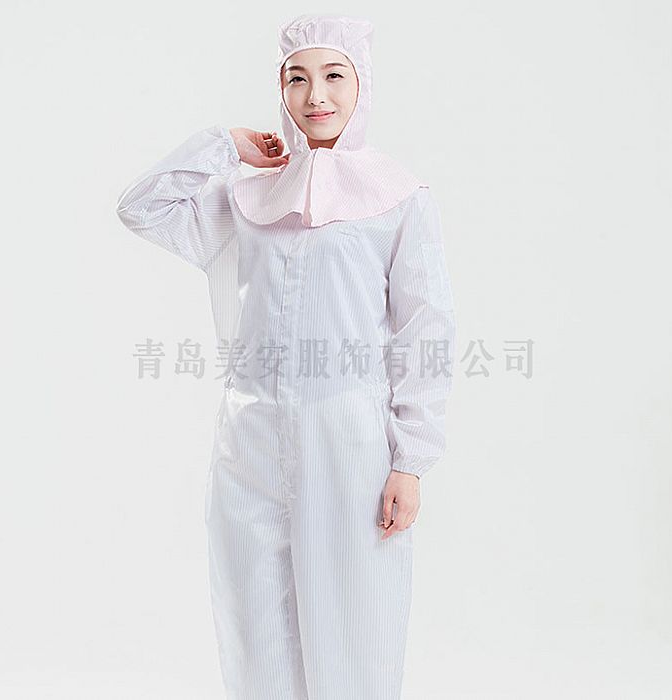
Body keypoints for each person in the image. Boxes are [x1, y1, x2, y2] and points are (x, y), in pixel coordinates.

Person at [115, 13, 456, 700]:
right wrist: (224, 146)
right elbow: (141, 209)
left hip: (349, 439)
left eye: (334, 76)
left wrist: (410, 460)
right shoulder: (247, 197)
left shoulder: (397, 197)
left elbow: (426, 329)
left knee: (354, 631)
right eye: (297, 78)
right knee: (257, 634)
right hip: (250, 440)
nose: (315, 96)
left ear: (362, 84)